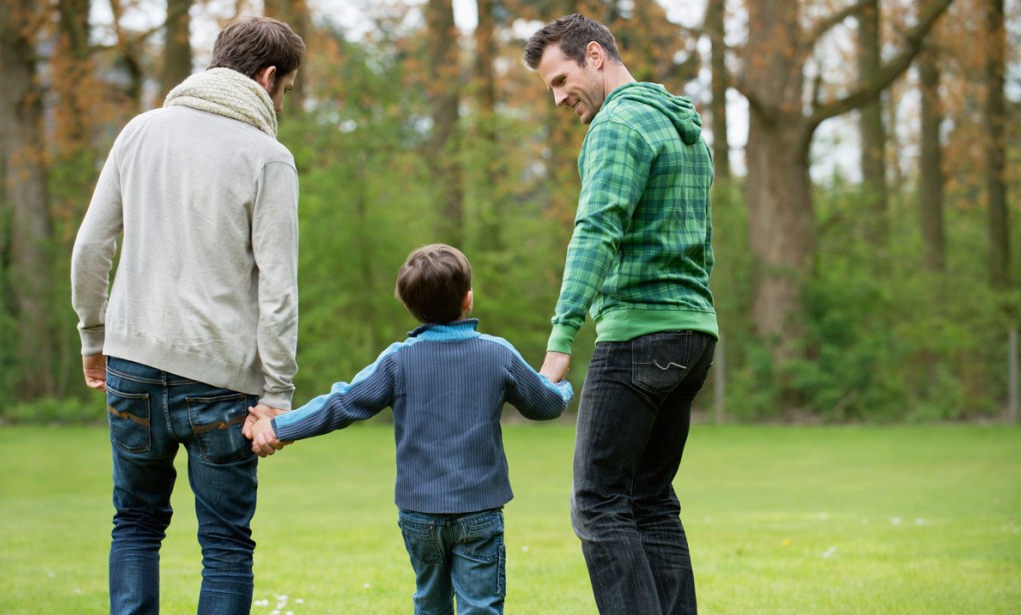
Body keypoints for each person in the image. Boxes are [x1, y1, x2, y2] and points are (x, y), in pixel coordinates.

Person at [70, 16, 305, 615]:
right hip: (221, 381)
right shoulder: (268, 157)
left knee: (136, 524)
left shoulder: (141, 132)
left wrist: (93, 335)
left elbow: (92, 246)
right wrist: (276, 393)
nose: (284, 103)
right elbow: (278, 289)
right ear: (268, 76)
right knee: (225, 544)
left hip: (132, 364)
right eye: (286, 91)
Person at [249, 243, 574, 615]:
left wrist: (280, 426)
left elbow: (342, 403)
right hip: (479, 510)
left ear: (409, 306)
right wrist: (561, 386)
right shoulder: (497, 353)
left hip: (419, 514)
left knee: (430, 604)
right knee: (480, 606)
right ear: (468, 299)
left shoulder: (398, 360)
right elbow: (545, 404)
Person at [523, 14, 718, 615]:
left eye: (561, 80)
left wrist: (560, 340)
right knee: (651, 501)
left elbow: (595, 231)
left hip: (638, 336)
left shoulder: (616, 125)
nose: (559, 99)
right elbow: (703, 241)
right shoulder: (685, 128)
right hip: (693, 334)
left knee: (598, 503)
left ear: (595, 56)